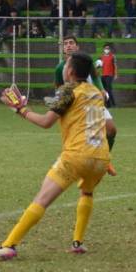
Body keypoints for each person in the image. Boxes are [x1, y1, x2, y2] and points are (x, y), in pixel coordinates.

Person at [0, 53, 110, 261]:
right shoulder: (96, 92)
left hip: (76, 156)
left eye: (66, 65)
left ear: (70, 71)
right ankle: (77, 243)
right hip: (101, 157)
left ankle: (9, 245)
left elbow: (45, 122)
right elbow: (108, 127)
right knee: (87, 193)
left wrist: (20, 109)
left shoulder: (67, 90)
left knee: (41, 199)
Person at [54, 35, 117, 175]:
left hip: (93, 101)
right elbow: (58, 87)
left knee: (111, 130)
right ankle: (71, 165)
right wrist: (60, 102)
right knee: (77, 139)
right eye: (65, 44)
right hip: (75, 106)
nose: (68, 45)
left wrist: (101, 89)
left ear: (77, 46)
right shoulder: (60, 68)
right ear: (63, 48)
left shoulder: (85, 62)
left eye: (71, 43)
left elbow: (95, 77)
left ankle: (105, 159)